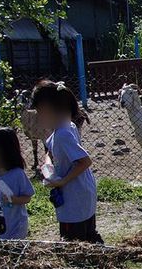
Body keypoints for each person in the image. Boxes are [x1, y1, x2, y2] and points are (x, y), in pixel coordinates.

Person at [30, 79, 103, 244]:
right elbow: (50, 149)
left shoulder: (63, 134)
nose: (38, 116)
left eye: (39, 111)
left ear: (48, 109)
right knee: (88, 234)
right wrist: (47, 164)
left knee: (74, 242)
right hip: (82, 192)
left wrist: (61, 181)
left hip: (74, 196)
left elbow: (85, 162)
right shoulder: (64, 127)